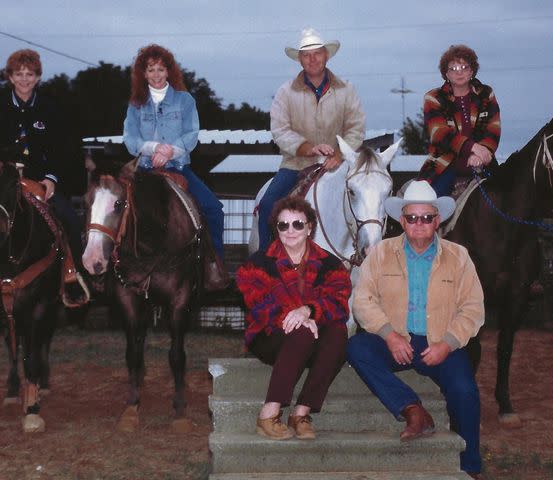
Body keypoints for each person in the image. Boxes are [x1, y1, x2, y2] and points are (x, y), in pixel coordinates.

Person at [347, 181, 484, 479]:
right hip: (397, 340)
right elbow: (363, 301)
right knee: (357, 348)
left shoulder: (459, 257)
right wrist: (389, 335)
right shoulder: (380, 253)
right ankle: (412, 409)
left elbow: (473, 309)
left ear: (437, 220)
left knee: (464, 390)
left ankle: (470, 464)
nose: (419, 224)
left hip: (440, 342)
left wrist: (447, 344)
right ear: (401, 220)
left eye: (426, 217)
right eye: (412, 217)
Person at [236, 196, 351, 440]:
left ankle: (301, 413)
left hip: (313, 334)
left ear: (310, 227)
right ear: (275, 229)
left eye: (297, 224)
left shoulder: (330, 264)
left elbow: (339, 301)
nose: (290, 231)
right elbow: (259, 306)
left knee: (339, 332)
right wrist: (297, 317)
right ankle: (269, 412)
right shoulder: (256, 263)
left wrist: (309, 311)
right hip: (270, 337)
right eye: (283, 225)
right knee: (302, 330)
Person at [123, 44, 227, 286]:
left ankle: (215, 266)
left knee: (213, 209)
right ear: (143, 73)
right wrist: (152, 148)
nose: (156, 75)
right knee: (117, 211)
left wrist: (170, 150)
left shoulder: (184, 100)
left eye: (161, 69)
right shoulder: (136, 104)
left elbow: (191, 133)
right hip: (146, 171)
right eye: (151, 70)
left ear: (169, 71)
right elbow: (130, 139)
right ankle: (113, 268)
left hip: (177, 168)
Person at [257, 28, 366, 251]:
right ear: (299, 59)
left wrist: (338, 154)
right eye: (306, 54)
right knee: (268, 205)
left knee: (368, 203)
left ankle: (364, 256)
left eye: (317, 53)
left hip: (338, 165)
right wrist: (308, 148)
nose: (312, 59)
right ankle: (265, 263)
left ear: (327, 55)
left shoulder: (346, 90)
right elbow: (279, 130)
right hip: (295, 165)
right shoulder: (285, 92)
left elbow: (356, 128)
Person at [0, 49, 83, 264]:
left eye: (29, 74)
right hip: (3, 181)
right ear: (10, 77)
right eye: (18, 74)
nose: (24, 79)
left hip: (40, 182)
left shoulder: (51, 108)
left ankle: (75, 278)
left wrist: (51, 178)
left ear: (38, 78)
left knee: (71, 221)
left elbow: (62, 149)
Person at [417, 44, 501, 197]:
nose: (459, 72)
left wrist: (481, 154)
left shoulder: (486, 94)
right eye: (453, 69)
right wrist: (472, 147)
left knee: (507, 201)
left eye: (464, 67)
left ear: (472, 71)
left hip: (483, 162)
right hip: (443, 165)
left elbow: (492, 129)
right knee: (429, 206)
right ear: (446, 74)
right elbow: (440, 134)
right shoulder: (433, 97)